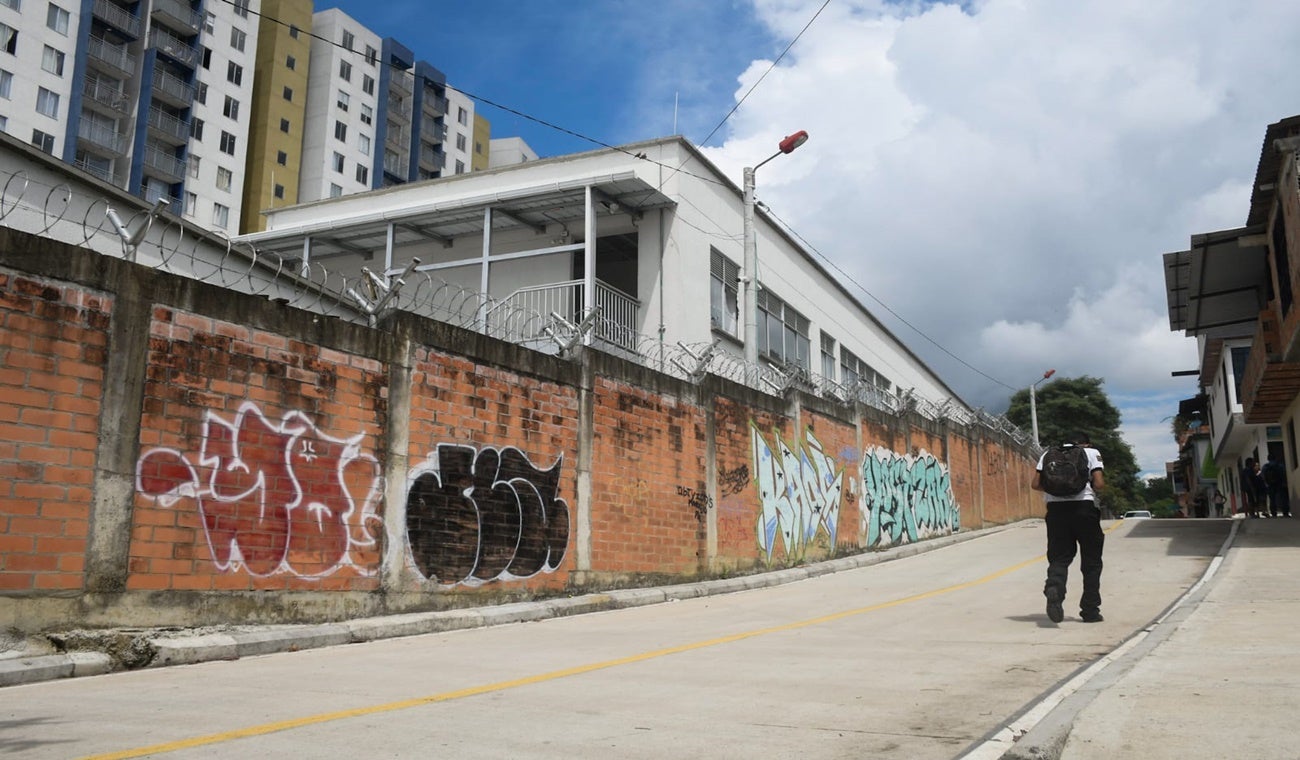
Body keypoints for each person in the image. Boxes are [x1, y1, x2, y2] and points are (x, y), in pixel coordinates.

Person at [1032, 432, 1105, 624]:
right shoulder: (1090, 453)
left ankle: (1054, 586)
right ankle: (1090, 611)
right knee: (1092, 561)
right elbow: (1099, 483)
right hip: (1084, 509)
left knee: (1059, 557)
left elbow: (1035, 484)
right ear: (1086, 444)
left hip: (1056, 511)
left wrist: (1057, 490)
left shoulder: (1047, 454)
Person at [1262, 453, 1291, 518]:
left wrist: (1266, 484)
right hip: (1280, 484)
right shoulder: (1280, 465)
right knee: (1283, 498)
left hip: (1270, 485)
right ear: (1275, 458)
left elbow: (1263, 476)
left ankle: (1274, 513)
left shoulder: (1265, 467)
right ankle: (1285, 513)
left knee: (1272, 499)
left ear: (1268, 459)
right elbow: (1284, 473)